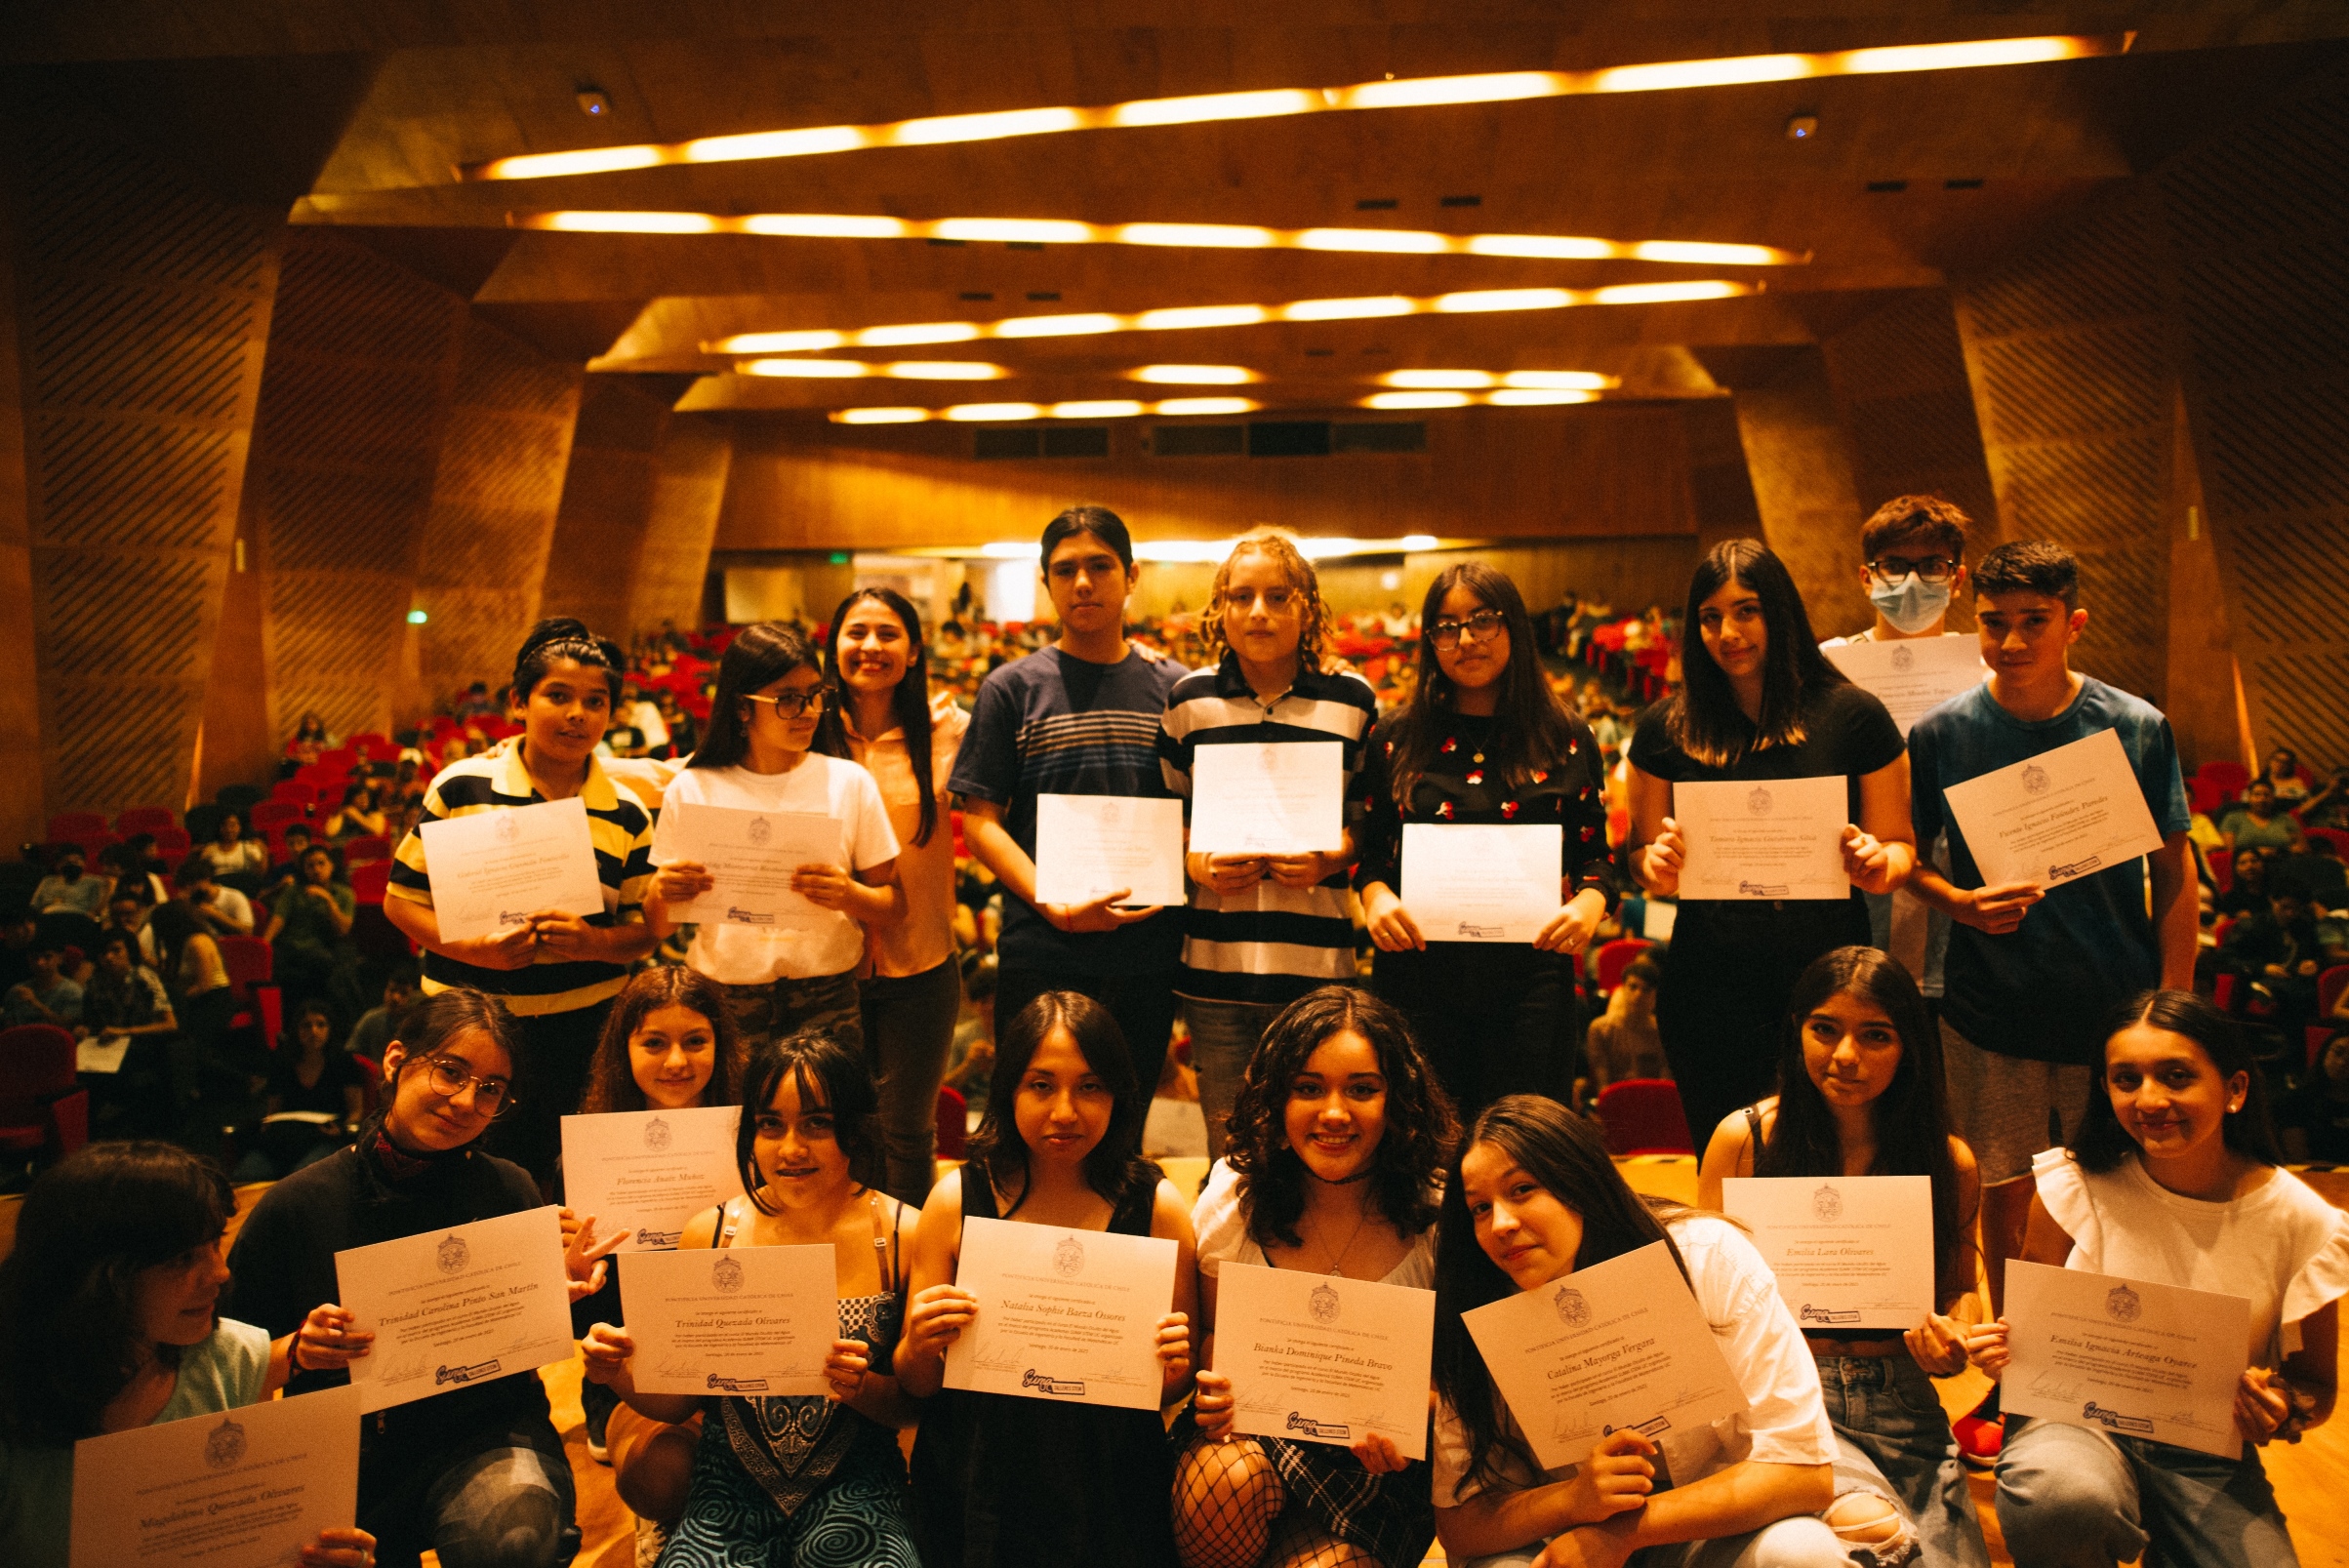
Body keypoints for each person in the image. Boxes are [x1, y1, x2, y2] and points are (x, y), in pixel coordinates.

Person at [1904, 541, 2195, 1463]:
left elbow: (2172, 873)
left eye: (2034, 621)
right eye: (1994, 622)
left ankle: (2120, 1370)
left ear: (2073, 623)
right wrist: (1959, 903)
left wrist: (2173, 1008)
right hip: (1989, 1010)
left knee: (2125, 1196)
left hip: (2114, 1013)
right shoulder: (1942, 733)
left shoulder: (2134, 726)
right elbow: (1905, 859)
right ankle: (2020, 1377)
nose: (2011, 640)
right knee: (2007, 1199)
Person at [224, 987, 624, 1568]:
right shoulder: (299, 1204)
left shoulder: (509, 1188)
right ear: (395, 1060)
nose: (466, 1101)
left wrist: (559, 1291)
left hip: (483, 1431)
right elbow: (224, 1369)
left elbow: (540, 1342)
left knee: (516, 1537)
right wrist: (298, 1351)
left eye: (491, 1089)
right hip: (344, 1450)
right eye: (450, 1072)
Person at [1964, 990, 2345, 1566]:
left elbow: (2316, 1386)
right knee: (2063, 1499)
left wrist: (2285, 1407)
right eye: (2126, 1079)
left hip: (2205, 1451)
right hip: (2071, 1420)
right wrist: (2001, 1350)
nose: (2148, 1099)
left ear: (2236, 1089)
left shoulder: (2302, 1220)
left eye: (2176, 1076)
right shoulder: (2073, 1185)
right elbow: (2026, 1336)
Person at [1433, 1095, 1883, 1568]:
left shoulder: (1707, 1255)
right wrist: (1572, 1499)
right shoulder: (1475, 1301)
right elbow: (1460, 1524)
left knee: (1802, 1554)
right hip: (1560, 1536)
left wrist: (1621, 1535)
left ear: (1580, 1182)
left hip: (1712, 1524)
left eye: (1522, 1189)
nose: (1500, 1224)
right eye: (1479, 1208)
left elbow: (1802, 1473)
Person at [583, 1029, 923, 1567]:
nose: (791, 1148)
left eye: (817, 1123)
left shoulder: (904, 1235)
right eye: (771, 1124)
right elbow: (681, 1402)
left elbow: (913, 1405)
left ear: (854, 1128)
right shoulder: (710, 1233)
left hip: (857, 1486)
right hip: (726, 1490)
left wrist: (863, 1388)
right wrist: (615, 1372)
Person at [1697, 946, 1989, 1568]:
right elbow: (1702, 1297)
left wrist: (1954, 1335)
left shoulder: (1949, 1159)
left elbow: (1960, 1289)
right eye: (1824, 1029)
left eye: (1875, 1035)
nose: (1846, 1056)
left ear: (1909, 1046)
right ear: (1797, 1030)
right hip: (1786, 1394)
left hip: (1902, 1399)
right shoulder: (1744, 1139)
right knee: (1883, 1544)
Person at [897, 989, 1199, 1568]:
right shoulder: (956, 1199)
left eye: (1090, 1087)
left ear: (1118, 1094)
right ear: (1008, 1089)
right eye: (1041, 1085)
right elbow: (917, 1383)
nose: (1065, 1111)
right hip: (976, 1475)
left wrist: (1171, 1367)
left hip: (1109, 1481)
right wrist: (920, 1344)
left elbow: (1171, 1387)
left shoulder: (1156, 1207)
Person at [1628, 540, 1915, 1148]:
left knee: (1833, 1156)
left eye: (1746, 611)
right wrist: (1655, 867)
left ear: (1779, 612)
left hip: (1829, 982)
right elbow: (1642, 855)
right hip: (1709, 983)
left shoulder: (1854, 715)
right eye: (1710, 617)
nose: (1727, 633)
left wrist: (1879, 864)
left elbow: (1899, 845)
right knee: (1730, 1155)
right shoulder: (1665, 726)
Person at [1176, 986, 1459, 1568]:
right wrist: (1217, 1387)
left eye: (1362, 1089)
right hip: (1250, 1435)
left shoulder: (1439, 1213)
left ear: (1398, 1100)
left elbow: (1462, 1382)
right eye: (1308, 1088)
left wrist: (1417, 1411)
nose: (1334, 1113)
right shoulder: (1235, 1197)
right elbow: (1211, 1337)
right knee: (1222, 1481)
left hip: (1381, 1465)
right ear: (1276, 1098)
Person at [0, 1142, 378, 1568]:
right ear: (96, 1276)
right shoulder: (14, 1406)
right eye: (182, 1259)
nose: (221, 1272)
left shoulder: (228, 1358)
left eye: (215, 1244)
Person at [385, 618, 660, 1184]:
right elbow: (400, 901)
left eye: (595, 701)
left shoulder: (627, 811)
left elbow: (643, 932)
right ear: (518, 701)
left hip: (583, 1031)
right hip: (470, 1026)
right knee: (461, 1175)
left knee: (569, 1176)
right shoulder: (462, 787)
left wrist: (594, 942)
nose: (577, 714)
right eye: (558, 696)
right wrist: (475, 951)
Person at [1353, 562, 1616, 1122]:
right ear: (1430, 641)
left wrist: (1589, 904)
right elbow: (1372, 857)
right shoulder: (1394, 737)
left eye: (1482, 621)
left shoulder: (1566, 736)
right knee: (1424, 1143)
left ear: (1513, 626)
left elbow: (1597, 860)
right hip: (1417, 977)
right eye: (1447, 627)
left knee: (1521, 1144)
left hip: (1531, 983)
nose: (1466, 640)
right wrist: (1376, 898)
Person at [950, 505, 1188, 1097]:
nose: (1083, 582)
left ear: (1132, 576)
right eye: (1065, 570)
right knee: (1033, 1119)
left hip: (1147, 949)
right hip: (1041, 945)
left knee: (1125, 1115)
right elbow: (980, 823)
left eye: (1100, 566)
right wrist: (1052, 902)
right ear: (1046, 581)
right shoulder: (1010, 688)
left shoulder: (1176, 689)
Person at [1160, 533, 1379, 1160]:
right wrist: (1195, 861)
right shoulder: (1190, 701)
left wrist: (1330, 857)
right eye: (1242, 596)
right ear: (1220, 609)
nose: (1258, 611)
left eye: (1277, 597)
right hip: (1214, 969)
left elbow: (1369, 821)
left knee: (1314, 1153)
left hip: (1316, 970)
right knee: (1231, 1155)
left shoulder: (1351, 699)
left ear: (1306, 607)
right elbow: (1168, 816)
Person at [648, 620, 905, 1057]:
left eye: (814, 696)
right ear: (742, 708)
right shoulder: (694, 787)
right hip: (727, 993)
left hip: (827, 991)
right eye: (787, 700)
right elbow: (660, 925)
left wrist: (849, 895)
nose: (806, 711)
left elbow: (894, 905)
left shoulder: (848, 782)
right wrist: (663, 891)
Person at [564, 965, 748, 1481]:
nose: (676, 1061)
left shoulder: (761, 1143)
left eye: (695, 1041)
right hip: (637, 1368)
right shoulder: (585, 1160)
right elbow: (583, 1322)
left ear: (720, 1045)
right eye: (654, 1043)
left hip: (746, 1353)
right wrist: (571, 1278)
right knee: (662, 1475)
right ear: (623, 1049)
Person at [820, 585, 972, 1203]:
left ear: (913, 652)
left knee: (908, 1135)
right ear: (834, 646)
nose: (871, 646)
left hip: (922, 962)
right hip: (828, 966)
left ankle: (907, 1254)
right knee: (838, 1131)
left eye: (888, 634)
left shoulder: (948, 732)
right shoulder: (808, 733)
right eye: (856, 632)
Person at [1821, 495, 1978, 1000]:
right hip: (1848, 895)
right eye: (1894, 566)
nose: (1913, 581)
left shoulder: (1985, 673)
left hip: (1955, 902)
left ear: (1957, 579)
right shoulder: (1828, 669)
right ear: (1867, 578)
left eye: (1932, 566)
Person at [236, 998, 369, 1180]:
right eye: (306, 1026)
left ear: (330, 1029)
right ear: (296, 1031)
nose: (313, 1031)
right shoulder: (283, 1062)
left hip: (325, 1138)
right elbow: (273, 1111)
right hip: (286, 1138)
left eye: (320, 1025)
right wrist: (268, 1125)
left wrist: (341, 1130)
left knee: (299, 1179)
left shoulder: (343, 1062)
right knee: (245, 1175)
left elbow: (356, 1111)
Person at [263, 844, 357, 1007]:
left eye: (321, 863)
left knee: (330, 964)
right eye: (310, 866)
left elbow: (343, 930)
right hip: (291, 946)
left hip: (321, 947)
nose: (316, 869)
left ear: (331, 866)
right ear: (304, 870)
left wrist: (328, 900)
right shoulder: (294, 891)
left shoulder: (344, 893)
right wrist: (264, 945)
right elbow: (278, 919)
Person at [1582, 954, 1667, 1098]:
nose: (1638, 994)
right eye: (1633, 987)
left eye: (1646, 990)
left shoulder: (1663, 1033)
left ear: (1656, 996)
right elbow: (1603, 1085)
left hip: (1652, 1101)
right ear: (1622, 989)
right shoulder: (1600, 1029)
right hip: (1614, 1102)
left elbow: (1665, 1087)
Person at [2279, 1031, 2349, 1165]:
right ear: (2324, 1052)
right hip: (2313, 1175)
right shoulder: (2297, 1101)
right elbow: (2298, 1159)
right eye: (2338, 1052)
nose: (2342, 1062)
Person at [2, 937, 82, 1028]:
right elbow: (8, 1030)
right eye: (35, 957)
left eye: (47, 957)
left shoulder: (72, 992)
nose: (40, 963)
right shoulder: (16, 992)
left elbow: (68, 1026)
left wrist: (35, 1004)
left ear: (60, 958)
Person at [174, 853, 256, 937]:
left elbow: (247, 931)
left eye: (192, 884)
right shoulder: (188, 902)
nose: (188, 891)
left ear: (206, 880)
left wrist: (215, 915)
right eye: (184, 887)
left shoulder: (234, 897)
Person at [350, 962, 421, 1061]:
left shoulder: (417, 1025)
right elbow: (351, 1051)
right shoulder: (371, 1019)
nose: (395, 998)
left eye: (403, 993)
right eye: (392, 990)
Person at [2224, 779, 2305, 857]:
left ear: (2273, 798)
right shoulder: (2233, 818)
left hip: (2282, 861)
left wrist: (2278, 852)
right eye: (2257, 794)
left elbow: (2303, 848)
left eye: (2267, 795)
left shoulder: (2285, 819)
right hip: (2248, 864)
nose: (2262, 799)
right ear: (2249, 797)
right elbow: (2230, 852)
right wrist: (2256, 853)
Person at [31, 842, 109, 920]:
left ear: (84, 863)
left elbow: (97, 910)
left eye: (76, 862)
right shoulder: (48, 881)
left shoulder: (94, 882)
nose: (72, 865)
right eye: (67, 862)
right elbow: (34, 906)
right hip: (49, 919)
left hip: (79, 920)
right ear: (58, 865)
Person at [198, 810, 269, 880]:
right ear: (220, 828)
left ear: (239, 827)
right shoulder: (210, 849)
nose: (229, 830)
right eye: (225, 825)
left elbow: (260, 873)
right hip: (216, 885)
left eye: (233, 825)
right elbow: (201, 873)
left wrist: (263, 851)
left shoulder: (248, 848)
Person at [322, 783, 387, 842]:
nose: (364, 800)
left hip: (363, 847)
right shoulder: (344, 811)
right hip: (341, 846)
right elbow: (329, 833)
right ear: (351, 798)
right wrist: (343, 813)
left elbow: (377, 831)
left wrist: (355, 814)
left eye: (366, 797)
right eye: (359, 797)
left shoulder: (374, 813)